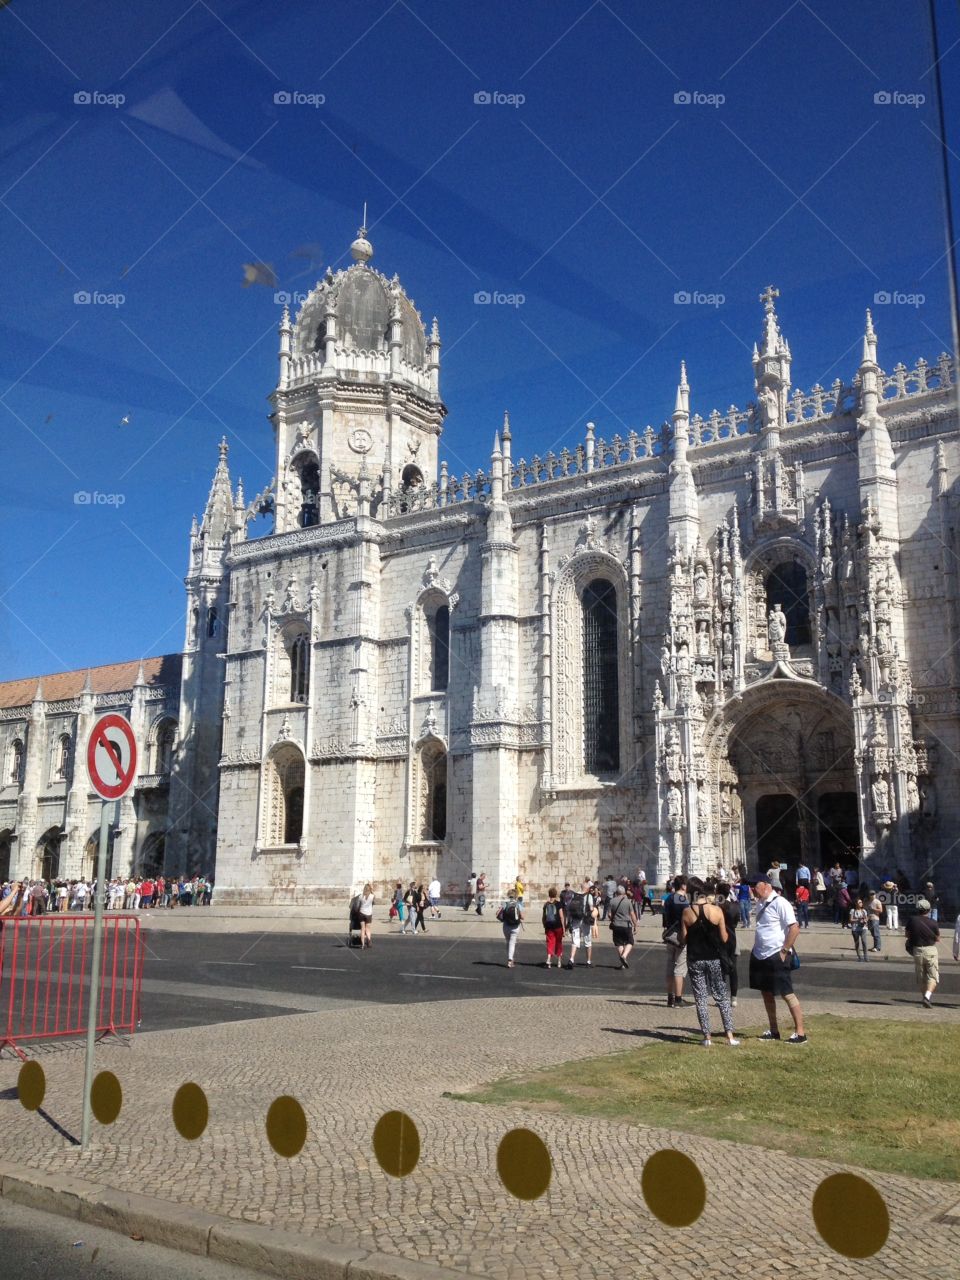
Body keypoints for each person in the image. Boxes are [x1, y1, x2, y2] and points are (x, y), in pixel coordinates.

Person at [680, 879, 739, 1047]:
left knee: (701, 998)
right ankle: (730, 1036)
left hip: (695, 959)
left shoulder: (687, 912)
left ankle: (707, 1037)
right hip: (714, 958)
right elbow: (724, 937)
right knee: (721, 997)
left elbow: (683, 940)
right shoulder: (717, 910)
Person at [748, 874, 807, 1043]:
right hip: (760, 953)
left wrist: (784, 951)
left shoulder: (781, 903)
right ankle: (774, 1030)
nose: (752, 889)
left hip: (776, 954)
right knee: (766, 992)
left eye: (754, 885)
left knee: (787, 993)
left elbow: (794, 928)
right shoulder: (760, 903)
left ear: (766, 885)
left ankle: (800, 1033)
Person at [905, 898, 940, 1007]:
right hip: (930, 950)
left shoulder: (912, 920)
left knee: (921, 976)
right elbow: (938, 938)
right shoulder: (933, 922)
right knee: (932, 976)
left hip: (917, 950)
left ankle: (925, 998)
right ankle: (927, 997)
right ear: (928, 910)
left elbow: (907, 934)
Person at [662, 875, 689, 1007]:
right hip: (680, 936)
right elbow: (687, 919)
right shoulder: (682, 900)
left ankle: (670, 998)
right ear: (683, 886)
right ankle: (678, 999)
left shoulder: (669, 899)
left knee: (670, 966)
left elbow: (665, 917)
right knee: (679, 967)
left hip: (669, 935)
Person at [717, 882, 740, 1007]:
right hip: (733, 939)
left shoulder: (716, 907)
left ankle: (722, 996)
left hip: (719, 940)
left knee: (720, 968)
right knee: (733, 968)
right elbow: (736, 922)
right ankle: (734, 997)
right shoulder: (735, 906)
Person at [565, 878, 596, 968]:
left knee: (575, 942)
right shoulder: (589, 896)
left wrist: (569, 921)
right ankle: (588, 962)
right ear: (587, 888)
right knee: (588, 941)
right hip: (585, 921)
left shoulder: (574, 895)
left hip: (575, 920)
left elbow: (569, 908)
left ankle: (571, 959)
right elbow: (591, 908)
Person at [608, 884, 638, 969]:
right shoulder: (628, 901)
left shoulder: (612, 901)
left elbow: (609, 914)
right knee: (630, 941)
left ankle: (623, 962)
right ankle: (624, 956)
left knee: (619, 943)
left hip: (616, 925)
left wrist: (613, 919)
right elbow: (632, 915)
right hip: (626, 925)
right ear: (624, 892)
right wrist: (635, 925)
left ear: (616, 892)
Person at [541, 887, 565, 968]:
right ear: (556, 895)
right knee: (559, 942)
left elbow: (544, 917)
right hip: (558, 926)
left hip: (549, 926)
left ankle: (548, 959)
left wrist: (544, 925)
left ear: (549, 894)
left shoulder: (546, 904)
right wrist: (564, 929)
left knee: (550, 942)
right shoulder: (558, 904)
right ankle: (559, 961)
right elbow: (561, 917)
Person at [499, 890, 523, 967]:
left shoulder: (505, 903)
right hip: (515, 926)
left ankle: (510, 959)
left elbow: (497, 913)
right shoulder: (518, 904)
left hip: (506, 926)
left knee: (508, 942)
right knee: (512, 943)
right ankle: (510, 961)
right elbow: (522, 916)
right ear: (515, 896)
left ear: (508, 895)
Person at [358, 882, 374, 948]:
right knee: (368, 929)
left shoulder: (360, 896)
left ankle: (363, 945)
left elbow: (359, 904)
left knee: (362, 929)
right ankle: (369, 941)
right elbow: (373, 898)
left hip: (361, 913)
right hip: (369, 914)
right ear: (369, 889)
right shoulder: (372, 896)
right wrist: (371, 889)